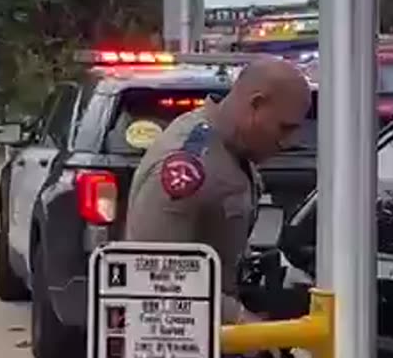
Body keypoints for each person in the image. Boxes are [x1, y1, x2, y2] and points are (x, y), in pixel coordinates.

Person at [123, 57, 311, 325]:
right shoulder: (187, 167)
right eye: (284, 127)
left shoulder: (235, 151)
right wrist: (241, 321)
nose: (289, 142)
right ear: (255, 104)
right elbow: (155, 275)